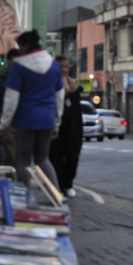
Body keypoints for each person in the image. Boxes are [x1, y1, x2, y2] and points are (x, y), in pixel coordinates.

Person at [0, 29, 63, 189]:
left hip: (25, 119)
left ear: (26, 46)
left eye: (20, 47)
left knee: (23, 160)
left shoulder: (19, 66)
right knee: (42, 159)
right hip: (47, 119)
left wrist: (3, 124)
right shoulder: (54, 65)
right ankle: (56, 195)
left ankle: (22, 196)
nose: (19, 51)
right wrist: (57, 122)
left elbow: (11, 98)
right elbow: (59, 96)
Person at [49, 56, 83, 198]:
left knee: (72, 155)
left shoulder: (73, 84)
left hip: (73, 127)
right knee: (55, 156)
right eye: (61, 66)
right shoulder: (51, 84)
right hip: (56, 125)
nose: (64, 69)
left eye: (66, 66)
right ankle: (58, 186)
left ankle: (68, 184)